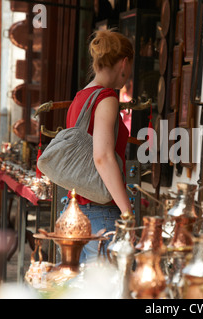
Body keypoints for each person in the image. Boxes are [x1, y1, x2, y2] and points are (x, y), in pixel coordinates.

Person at [63, 29, 134, 263]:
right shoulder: (107, 98)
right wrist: (127, 212)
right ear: (124, 63)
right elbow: (102, 156)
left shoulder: (81, 97)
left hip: (74, 212)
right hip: (100, 213)